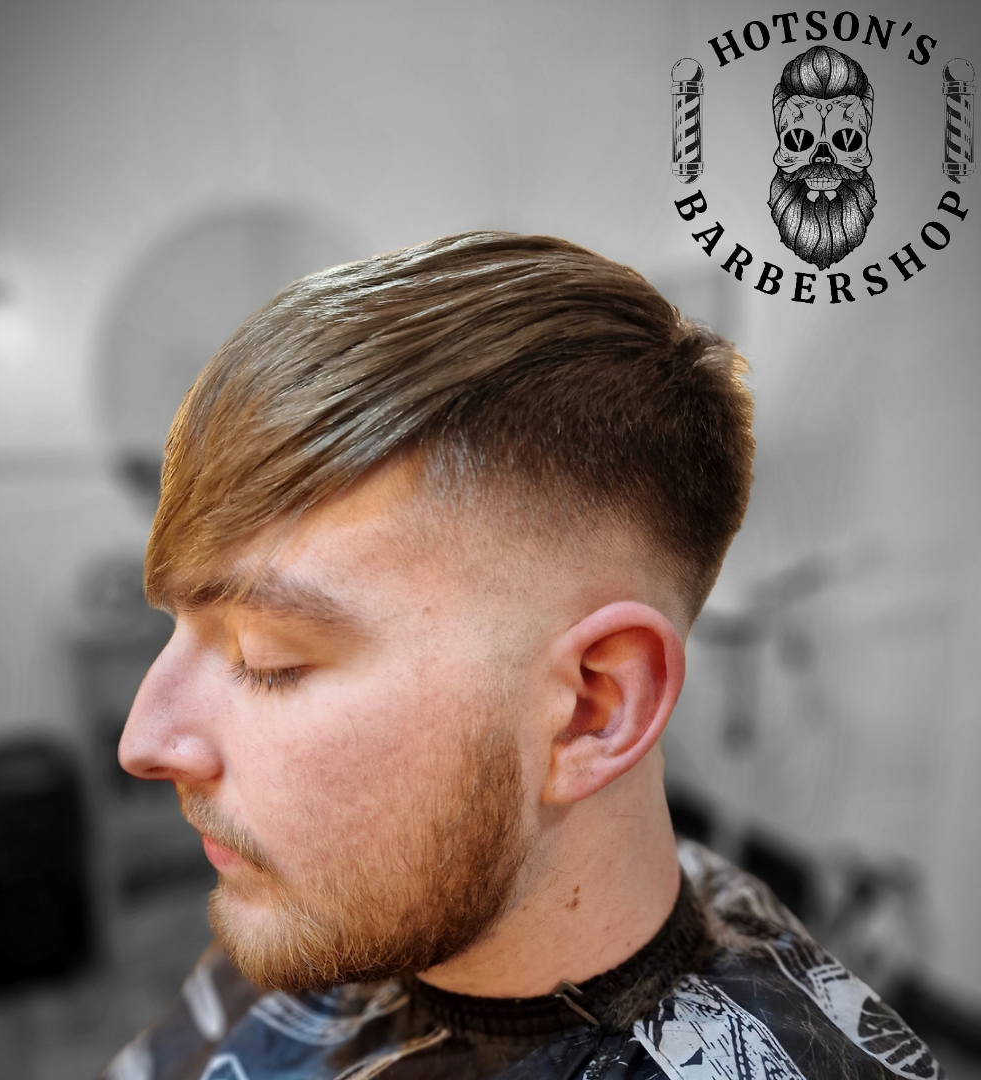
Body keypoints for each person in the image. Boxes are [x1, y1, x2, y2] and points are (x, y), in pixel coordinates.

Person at [103, 233, 943, 1080]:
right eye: (177, 628)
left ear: (590, 709)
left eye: (268, 657)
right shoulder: (334, 908)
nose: (143, 740)